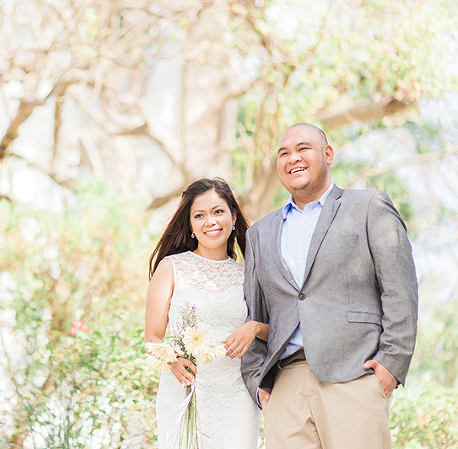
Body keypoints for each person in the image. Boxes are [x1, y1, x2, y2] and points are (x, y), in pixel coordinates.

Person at [241, 123, 419, 449]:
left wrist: (390, 364)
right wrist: (257, 381)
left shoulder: (368, 208)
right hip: (285, 383)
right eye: (284, 153)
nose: (292, 158)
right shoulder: (259, 234)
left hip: (354, 374)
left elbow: (399, 288)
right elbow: (255, 311)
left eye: (302, 148)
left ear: (328, 154)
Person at [145, 177, 268, 449]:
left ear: (233, 217)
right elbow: (152, 338)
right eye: (199, 215)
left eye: (218, 211)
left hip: (238, 397)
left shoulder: (251, 274)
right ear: (190, 224)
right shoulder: (171, 267)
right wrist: (173, 362)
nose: (210, 221)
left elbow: (276, 330)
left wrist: (256, 328)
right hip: (185, 393)